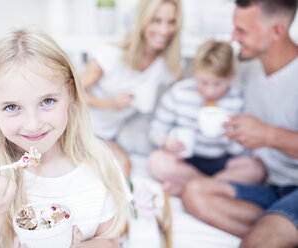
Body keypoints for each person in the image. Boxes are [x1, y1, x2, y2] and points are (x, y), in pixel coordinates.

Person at [0, 27, 130, 248]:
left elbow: (111, 241)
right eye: (12, 107)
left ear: (70, 92)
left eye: (47, 101)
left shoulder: (100, 164)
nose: (33, 124)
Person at [181, 0, 298, 247]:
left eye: (241, 30)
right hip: (269, 187)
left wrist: (268, 135)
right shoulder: (248, 68)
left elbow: (266, 134)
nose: (233, 38)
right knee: (193, 193)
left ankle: (276, 227)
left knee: (259, 241)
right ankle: (279, 225)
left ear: (277, 31)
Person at [148, 40, 266, 196]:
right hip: (187, 160)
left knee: (256, 169)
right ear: (193, 72)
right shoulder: (178, 93)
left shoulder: (237, 100)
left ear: (231, 76)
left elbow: (244, 149)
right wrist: (166, 141)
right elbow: (156, 130)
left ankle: (192, 188)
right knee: (156, 160)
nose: (210, 92)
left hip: (223, 162)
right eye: (203, 82)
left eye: (218, 84)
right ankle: (208, 188)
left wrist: (228, 136)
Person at [80, 0, 183, 176]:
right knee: (116, 167)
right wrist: (109, 104)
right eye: (156, 20)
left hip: (109, 135)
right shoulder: (111, 54)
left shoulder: (165, 65)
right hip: (82, 128)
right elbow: (72, 91)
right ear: (142, 21)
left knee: (123, 169)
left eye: (171, 22)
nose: (164, 30)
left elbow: (180, 96)